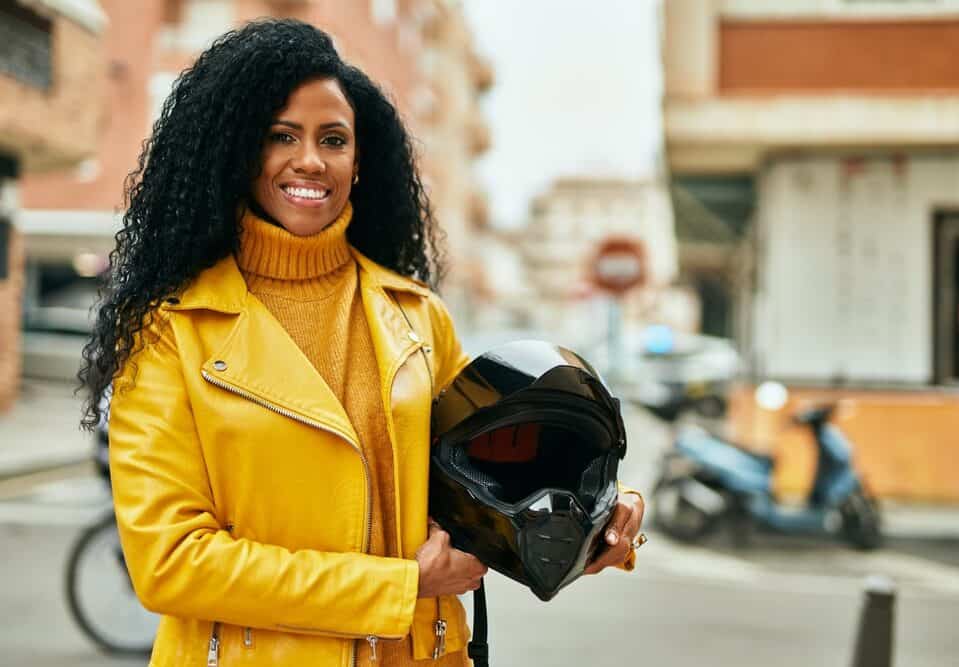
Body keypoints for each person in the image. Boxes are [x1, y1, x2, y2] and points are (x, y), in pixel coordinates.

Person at [79, 18, 644, 666]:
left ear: (359, 159)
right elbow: (172, 563)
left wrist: (605, 515)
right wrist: (401, 586)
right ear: (236, 152)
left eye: (334, 138)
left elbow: (491, 479)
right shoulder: (170, 331)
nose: (311, 159)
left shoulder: (416, 316)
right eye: (280, 136)